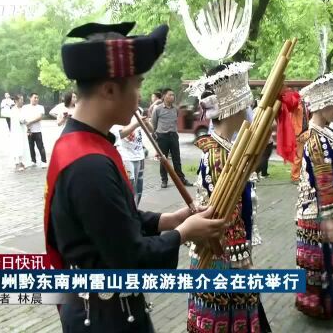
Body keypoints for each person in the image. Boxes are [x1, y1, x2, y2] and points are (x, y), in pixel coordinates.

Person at [46, 21, 225, 333]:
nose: (141, 97)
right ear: (110, 89)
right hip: (106, 319)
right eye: (138, 84)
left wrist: (167, 220)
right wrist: (184, 233)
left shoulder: (81, 142)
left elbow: (111, 222)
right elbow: (130, 257)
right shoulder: (88, 164)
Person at [185, 61, 271, 332]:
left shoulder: (226, 149)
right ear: (234, 104)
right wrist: (241, 259)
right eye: (247, 100)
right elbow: (227, 215)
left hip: (223, 250)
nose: (251, 108)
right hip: (224, 254)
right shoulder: (221, 155)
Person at [295, 72, 333, 319]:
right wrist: (332, 218)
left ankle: (325, 303)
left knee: (327, 261)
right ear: (321, 106)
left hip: (326, 209)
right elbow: (323, 182)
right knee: (320, 261)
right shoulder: (315, 139)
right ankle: (317, 306)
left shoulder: (323, 134)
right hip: (318, 212)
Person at [151, 88, 192, 188]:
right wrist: (157, 135)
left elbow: (176, 119)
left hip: (173, 136)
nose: (172, 97)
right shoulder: (158, 109)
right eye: (170, 95)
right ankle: (164, 180)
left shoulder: (175, 109)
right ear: (164, 96)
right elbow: (154, 123)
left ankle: (181, 179)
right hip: (162, 137)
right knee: (163, 160)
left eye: (173, 95)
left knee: (176, 159)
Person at [110, 105, 148, 207]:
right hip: (126, 156)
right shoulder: (119, 113)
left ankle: (135, 210)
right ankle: (129, 210)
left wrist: (147, 123)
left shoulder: (138, 112)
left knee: (138, 188)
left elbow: (151, 130)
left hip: (139, 155)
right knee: (129, 186)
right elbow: (120, 134)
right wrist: (136, 124)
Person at [23, 93, 47, 168]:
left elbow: (40, 117)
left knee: (40, 146)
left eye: (37, 98)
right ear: (30, 98)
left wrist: (30, 122)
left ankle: (44, 161)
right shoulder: (25, 107)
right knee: (30, 146)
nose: (36, 99)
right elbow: (23, 117)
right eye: (35, 97)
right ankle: (33, 161)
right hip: (28, 130)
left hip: (37, 130)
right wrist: (27, 124)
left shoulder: (40, 107)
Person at [9, 95, 32, 171]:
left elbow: (26, 118)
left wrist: (28, 128)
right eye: (21, 99)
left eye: (22, 99)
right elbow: (19, 119)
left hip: (22, 130)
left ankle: (22, 161)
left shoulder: (23, 109)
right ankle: (17, 162)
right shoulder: (13, 109)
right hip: (16, 131)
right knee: (17, 146)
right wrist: (24, 121)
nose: (22, 101)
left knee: (23, 145)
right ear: (16, 100)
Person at [290, 93, 309, 184]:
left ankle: (300, 175)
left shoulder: (305, 104)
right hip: (297, 132)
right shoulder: (296, 104)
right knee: (298, 156)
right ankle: (295, 177)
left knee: (302, 155)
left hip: (305, 131)